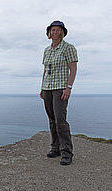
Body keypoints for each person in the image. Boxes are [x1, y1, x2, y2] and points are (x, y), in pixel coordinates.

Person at [40, 20, 78, 165]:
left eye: (57, 30)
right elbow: (45, 70)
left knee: (60, 121)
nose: (54, 32)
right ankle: (55, 148)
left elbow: (73, 69)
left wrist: (68, 87)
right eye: (52, 30)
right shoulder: (47, 50)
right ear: (49, 33)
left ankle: (66, 153)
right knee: (51, 120)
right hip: (47, 88)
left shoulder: (68, 48)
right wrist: (42, 87)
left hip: (60, 88)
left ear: (62, 32)